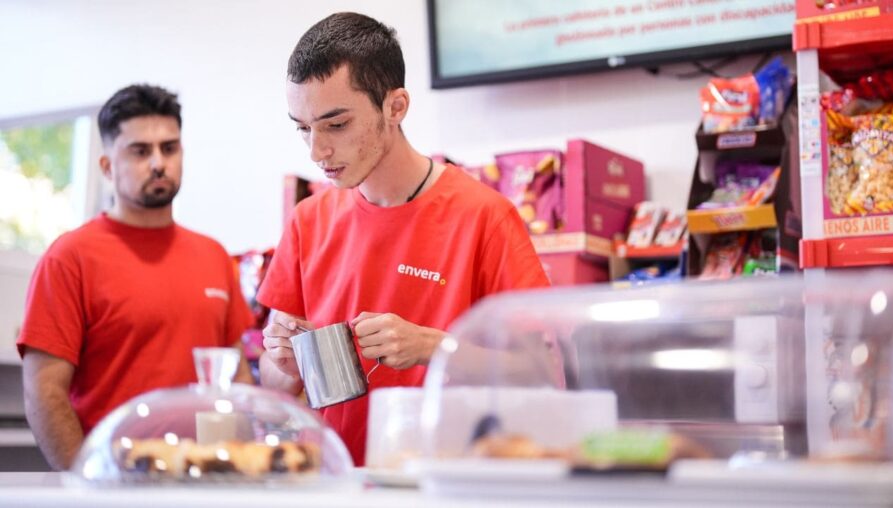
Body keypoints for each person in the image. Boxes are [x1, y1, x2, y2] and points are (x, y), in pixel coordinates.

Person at [258, 12, 550, 466]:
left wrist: (431, 347)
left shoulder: (485, 217)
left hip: (449, 482)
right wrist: (282, 361)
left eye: (336, 125)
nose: (317, 152)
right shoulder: (307, 221)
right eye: (303, 128)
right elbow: (274, 384)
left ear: (395, 107)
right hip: (341, 481)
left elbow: (539, 374)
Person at [17, 84, 254, 470]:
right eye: (140, 151)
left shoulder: (213, 255)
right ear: (108, 166)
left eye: (170, 148)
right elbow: (44, 393)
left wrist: (243, 469)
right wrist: (87, 483)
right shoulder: (69, 258)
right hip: (113, 484)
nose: (158, 162)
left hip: (205, 482)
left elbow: (237, 377)